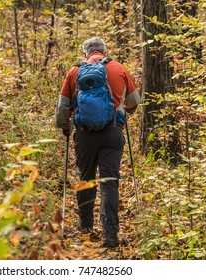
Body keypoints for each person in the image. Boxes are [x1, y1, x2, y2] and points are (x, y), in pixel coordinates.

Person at [55, 37, 141, 248]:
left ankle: (85, 228)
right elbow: (134, 101)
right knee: (109, 181)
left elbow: (62, 107)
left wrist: (64, 126)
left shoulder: (74, 72)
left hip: (84, 134)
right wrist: (125, 110)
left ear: (86, 53)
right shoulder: (119, 68)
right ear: (104, 51)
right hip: (112, 132)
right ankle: (110, 233)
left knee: (86, 178)